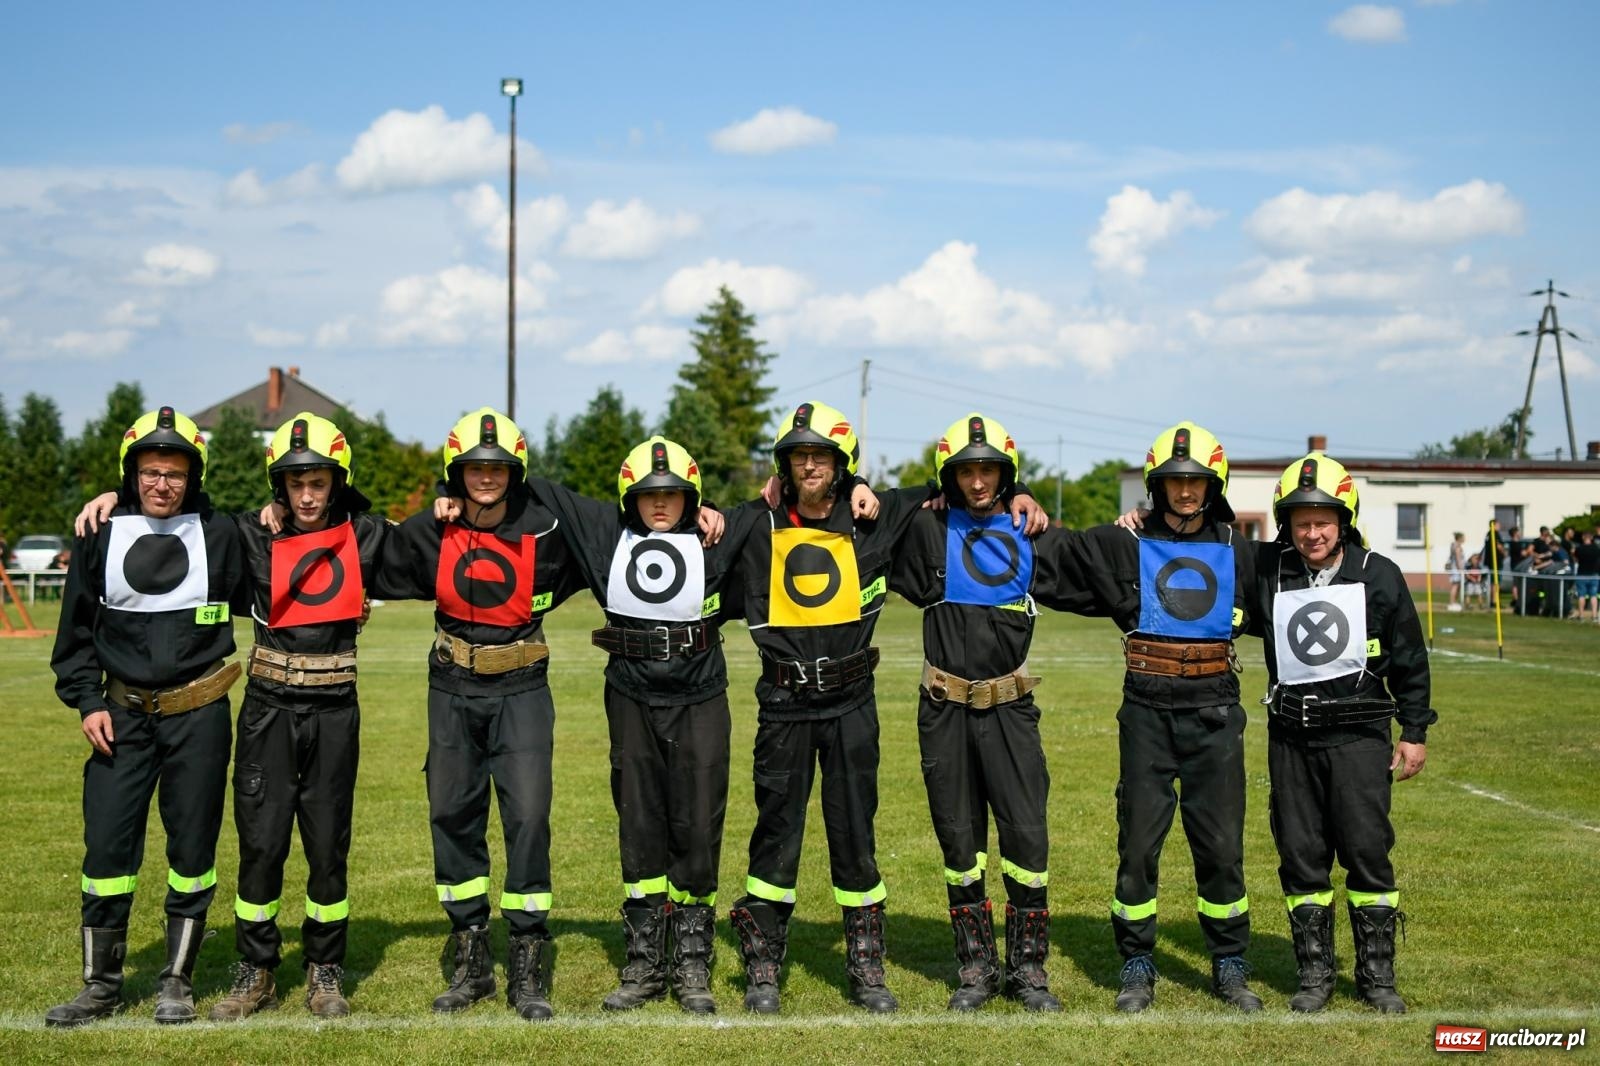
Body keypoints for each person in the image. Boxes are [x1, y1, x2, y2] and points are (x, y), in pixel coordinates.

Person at [722, 401, 1044, 1015]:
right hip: (783, 706)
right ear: (783, 465)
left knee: (856, 836)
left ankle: (865, 968)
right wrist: (710, 509)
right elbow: (696, 529)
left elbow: (954, 485)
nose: (809, 466)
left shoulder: (876, 516)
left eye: (821, 456)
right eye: (798, 456)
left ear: (842, 463)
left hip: (852, 705)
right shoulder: (754, 521)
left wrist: (1019, 490)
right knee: (774, 837)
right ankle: (763, 968)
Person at [471, 437, 737, 1014]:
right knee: (639, 823)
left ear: (692, 498)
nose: (660, 503)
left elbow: (785, 514)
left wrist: (855, 487)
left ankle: (692, 960)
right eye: (648, 494)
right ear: (627, 497)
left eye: (673, 494)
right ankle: (644, 961)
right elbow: (533, 482)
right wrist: (452, 496)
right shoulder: (604, 534)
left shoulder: (717, 537)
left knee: (697, 825)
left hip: (700, 702)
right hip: (631, 700)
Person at [372, 408, 585, 1021]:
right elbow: (360, 543)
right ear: (455, 473)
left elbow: (624, 530)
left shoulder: (548, 529)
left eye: (497, 467)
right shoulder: (432, 530)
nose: (486, 477)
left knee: (528, 817)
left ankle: (527, 957)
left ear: (515, 472)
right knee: (452, 815)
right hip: (451, 686)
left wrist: (707, 512)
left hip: (522, 687)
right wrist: (277, 512)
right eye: (473, 468)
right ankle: (470, 955)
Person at [1046, 421, 1262, 1013]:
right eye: (1173, 481)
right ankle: (1136, 961)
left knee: (1221, 846)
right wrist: (1017, 501)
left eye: (1196, 481)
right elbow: (1050, 553)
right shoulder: (1129, 544)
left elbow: (1313, 568)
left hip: (1215, 711)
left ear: (1214, 484)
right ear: (1156, 485)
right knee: (1138, 845)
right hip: (1146, 711)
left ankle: (1229, 961)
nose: (1185, 491)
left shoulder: (1240, 552)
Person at [47, 406, 247, 1026]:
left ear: (194, 477)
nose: (163, 484)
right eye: (151, 472)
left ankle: (176, 982)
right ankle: (100, 986)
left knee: (193, 848)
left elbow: (294, 531)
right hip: (121, 718)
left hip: (200, 716)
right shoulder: (100, 531)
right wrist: (87, 702)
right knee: (108, 848)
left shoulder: (222, 533)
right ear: (132, 474)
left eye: (175, 473)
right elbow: (75, 633)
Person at [888, 414, 1090, 1012]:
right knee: (959, 842)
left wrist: (1140, 522)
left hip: (1010, 709)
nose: (978, 482)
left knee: (1027, 837)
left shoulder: (1030, 531)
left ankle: (1028, 972)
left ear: (1007, 474)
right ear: (948, 477)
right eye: (965, 472)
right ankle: (976, 969)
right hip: (943, 710)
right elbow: (856, 516)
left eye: (990, 471)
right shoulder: (926, 530)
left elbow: (1102, 566)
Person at [213, 413, 388, 1019]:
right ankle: (255, 969)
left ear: (337, 482)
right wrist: (119, 497)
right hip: (268, 710)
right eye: (295, 484)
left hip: (334, 711)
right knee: (261, 846)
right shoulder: (250, 533)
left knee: (327, 846)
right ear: (278, 486)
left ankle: (324, 968)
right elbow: (183, 519)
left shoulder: (366, 536)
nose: (307, 496)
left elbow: (435, 539)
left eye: (318, 482)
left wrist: (448, 494)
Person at [1251, 453, 1433, 1013]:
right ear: (1286, 523)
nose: (1312, 533)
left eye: (1323, 521)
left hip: (1359, 737)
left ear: (1344, 519)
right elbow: (1202, 542)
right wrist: (1141, 521)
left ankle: (1377, 975)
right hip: (1292, 738)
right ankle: (1314, 974)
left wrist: (1414, 729)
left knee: (1366, 850)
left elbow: (1410, 656)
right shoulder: (1268, 569)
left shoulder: (1380, 574)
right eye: (1301, 522)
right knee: (1300, 854)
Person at [1573, 529, 1600, 624]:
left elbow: (1575, 559)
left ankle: (1581, 616)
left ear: (1583, 537)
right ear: (1591, 537)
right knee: (1594, 596)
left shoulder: (1579, 548)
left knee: (1581, 595)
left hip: (1582, 574)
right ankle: (1594, 616)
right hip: (1594, 575)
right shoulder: (1596, 548)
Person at [1445, 532, 1466, 609]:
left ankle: (1454, 601)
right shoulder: (1457, 547)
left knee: (1457, 585)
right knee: (1455, 585)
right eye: (1463, 537)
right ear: (1460, 538)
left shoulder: (1454, 545)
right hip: (1456, 569)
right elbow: (1458, 559)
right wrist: (1461, 569)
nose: (1464, 539)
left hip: (1455, 569)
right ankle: (1452, 602)